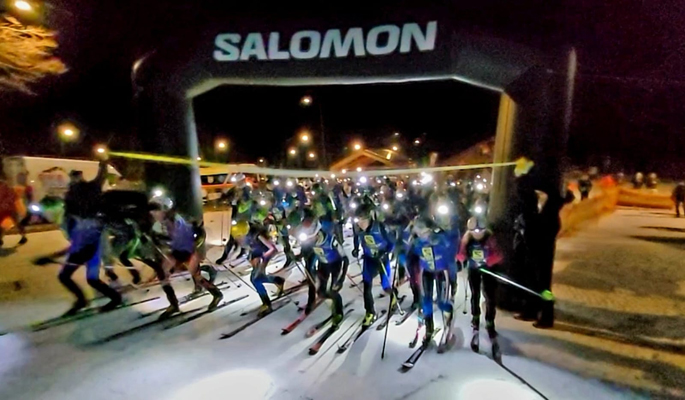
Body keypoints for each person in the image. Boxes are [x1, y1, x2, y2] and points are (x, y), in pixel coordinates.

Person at [150, 198, 223, 317]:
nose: (153, 213)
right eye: (152, 210)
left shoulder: (176, 221)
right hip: (177, 251)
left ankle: (217, 294)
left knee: (196, 275)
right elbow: (159, 237)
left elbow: (180, 239)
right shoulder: (160, 223)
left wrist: (165, 242)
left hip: (187, 250)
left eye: (156, 210)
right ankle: (173, 304)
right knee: (163, 275)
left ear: (165, 210)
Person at [410, 217, 460, 350]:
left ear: (431, 230)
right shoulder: (417, 243)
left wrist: (453, 276)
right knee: (426, 301)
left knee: (442, 302)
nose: (421, 235)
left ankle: (448, 320)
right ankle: (429, 328)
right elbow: (411, 257)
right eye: (418, 232)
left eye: (424, 232)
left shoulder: (441, 239)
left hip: (441, 272)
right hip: (426, 272)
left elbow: (454, 246)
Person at [457, 217, 503, 359]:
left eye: (480, 231)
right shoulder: (467, 239)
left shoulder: (490, 238)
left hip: (488, 269)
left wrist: (488, 261)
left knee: (490, 296)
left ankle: (490, 320)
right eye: (474, 231)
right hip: (474, 269)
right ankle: (475, 317)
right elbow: (460, 254)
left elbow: (499, 255)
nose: (477, 234)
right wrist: (463, 257)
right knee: (475, 294)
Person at [352, 203, 397, 327]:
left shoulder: (380, 227)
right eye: (358, 220)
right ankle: (370, 312)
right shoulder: (358, 229)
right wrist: (356, 249)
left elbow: (392, 242)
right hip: (369, 259)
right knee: (367, 286)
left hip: (381, 259)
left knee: (385, 285)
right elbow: (357, 239)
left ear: (369, 218)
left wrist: (386, 252)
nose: (360, 223)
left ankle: (394, 295)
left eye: (362, 220)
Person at [230, 220, 285, 316]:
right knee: (259, 278)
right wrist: (251, 258)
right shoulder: (246, 237)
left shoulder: (258, 235)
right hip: (257, 256)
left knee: (255, 279)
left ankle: (267, 304)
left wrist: (261, 258)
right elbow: (251, 249)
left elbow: (273, 249)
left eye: (239, 236)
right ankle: (278, 280)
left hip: (264, 255)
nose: (238, 239)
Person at [309, 218, 348, 327]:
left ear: (317, 234)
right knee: (321, 292)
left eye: (311, 237)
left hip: (336, 265)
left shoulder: (331, 240)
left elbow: (345, 258)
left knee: (333, 290)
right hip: (323, 265)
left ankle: (339, 312)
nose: (310, 240)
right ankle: (333, 301)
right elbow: (313, 254)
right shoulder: (312, 242)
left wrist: (341, 278)